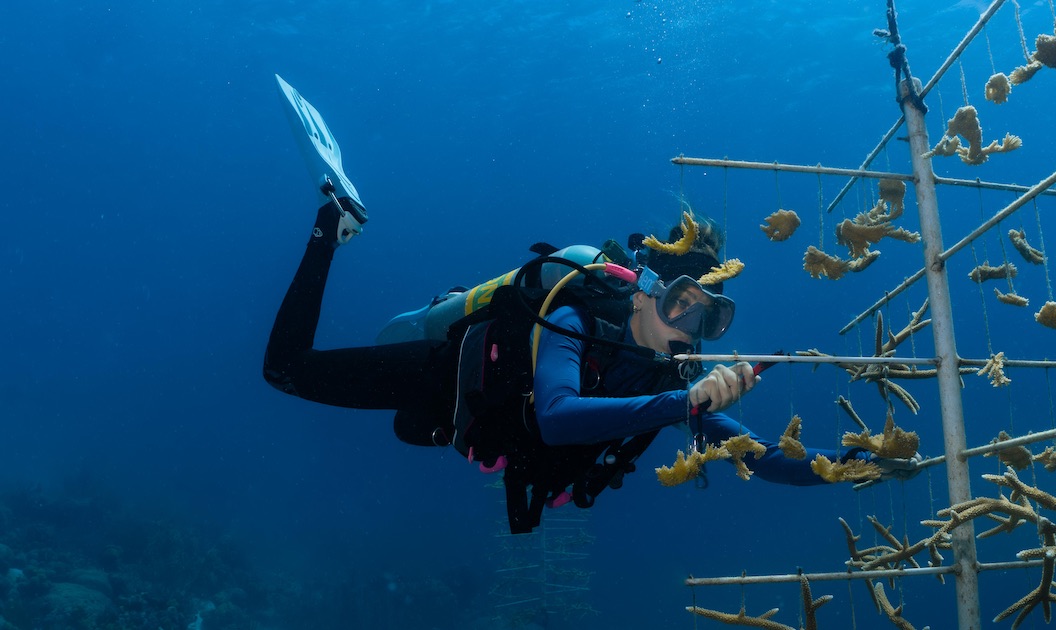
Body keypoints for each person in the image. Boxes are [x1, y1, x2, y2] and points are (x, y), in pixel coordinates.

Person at [263, 80, 919, 533]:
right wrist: (682, 405)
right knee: (287, 372)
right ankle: (334, 217)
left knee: (410, 428)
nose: (689, 332)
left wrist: (859, 466)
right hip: (453, 373)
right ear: (645, 288)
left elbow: (762, 457)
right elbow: (554, 415)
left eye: (708, 318)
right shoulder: (580, 313)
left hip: (476, 426)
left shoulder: (666, 380)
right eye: (683, 305)